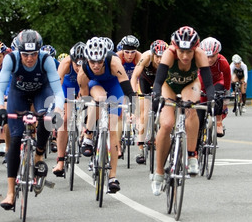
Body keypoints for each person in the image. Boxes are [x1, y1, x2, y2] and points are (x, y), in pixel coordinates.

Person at [0, 29, 64, 210]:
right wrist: (0, 108)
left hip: (42, 92)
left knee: (46, 119)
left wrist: (57, 110)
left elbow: (57, 91)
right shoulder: (11, 59)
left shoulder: (46, 60)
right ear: (19, 52)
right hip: (17, 94)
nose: (30, 58)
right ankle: (10, 193)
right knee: (16, 138)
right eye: (25, 54)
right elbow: (0, 89)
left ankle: (39, 153)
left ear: (39, 51)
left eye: (33, 54)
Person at [150, 26, 215, 196]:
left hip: (189, 85)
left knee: (191, 109)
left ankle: (192, 155)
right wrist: (156, 95)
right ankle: (158, 173)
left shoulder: (200, 55)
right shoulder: (169, 54)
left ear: (195, 49)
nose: (185, 56)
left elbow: (208, 84)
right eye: (181, 52)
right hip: (168, 86)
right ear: (175, 48)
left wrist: (213, 98)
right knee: (167, 124)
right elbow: (158, 82)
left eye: (189, 52)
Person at [78, 37, 137, 193]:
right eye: (92, 62)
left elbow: (126, 84)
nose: (96, 66)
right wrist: (89, 117)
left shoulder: (114, 61)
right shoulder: (83, 71)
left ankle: (112, 177)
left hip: (114, 85)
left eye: (99, 61)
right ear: (87, 60)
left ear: (105, 58)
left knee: (113, 131)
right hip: (94, 86)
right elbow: (85, 98)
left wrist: (133, 104)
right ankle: (89, 136)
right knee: (98, 99)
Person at [130, 39, 168, 164]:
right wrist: (134, 93)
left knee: (163, 109)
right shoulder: (146, 57)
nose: (159, 60)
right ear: (153, 54)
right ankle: (141, 150)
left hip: (161, 82)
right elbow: (135, 76)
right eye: (157, 56)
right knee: (145, 113)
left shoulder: (169, 59)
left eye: (162, 56)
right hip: (145, 81)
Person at [52, 42, 86, 177]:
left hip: (84, 86)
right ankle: (60, 160)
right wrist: (58, 106)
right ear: (71, 60)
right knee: (65, 120)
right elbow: (56, 86)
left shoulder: (90, 65)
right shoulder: (65, 64)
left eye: (81, 64)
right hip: (67, 89)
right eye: (76, 64)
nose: (78, 67)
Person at [199, 37, 231, 137]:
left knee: (218, 94)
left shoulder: (223, 62)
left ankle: (218, 122)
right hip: (203, 84)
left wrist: (226, 94)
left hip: (217, 82)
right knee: (198, 116)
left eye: (212, 56)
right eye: (206, 56)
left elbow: (227, 78)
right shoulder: (197, 60)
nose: (209, 59)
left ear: (218, 53)